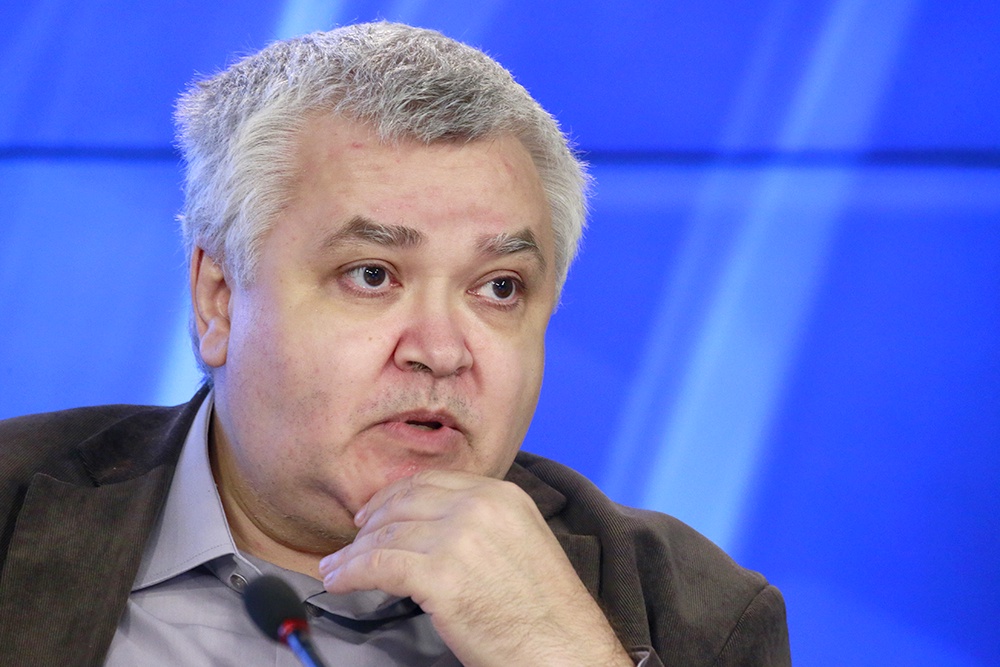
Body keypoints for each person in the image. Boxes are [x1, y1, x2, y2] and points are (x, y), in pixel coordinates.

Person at [0, 21, 790, 666]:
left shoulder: (695, 611)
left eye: (499, 287)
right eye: (372, 275)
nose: (442, 350)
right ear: (219, 300)